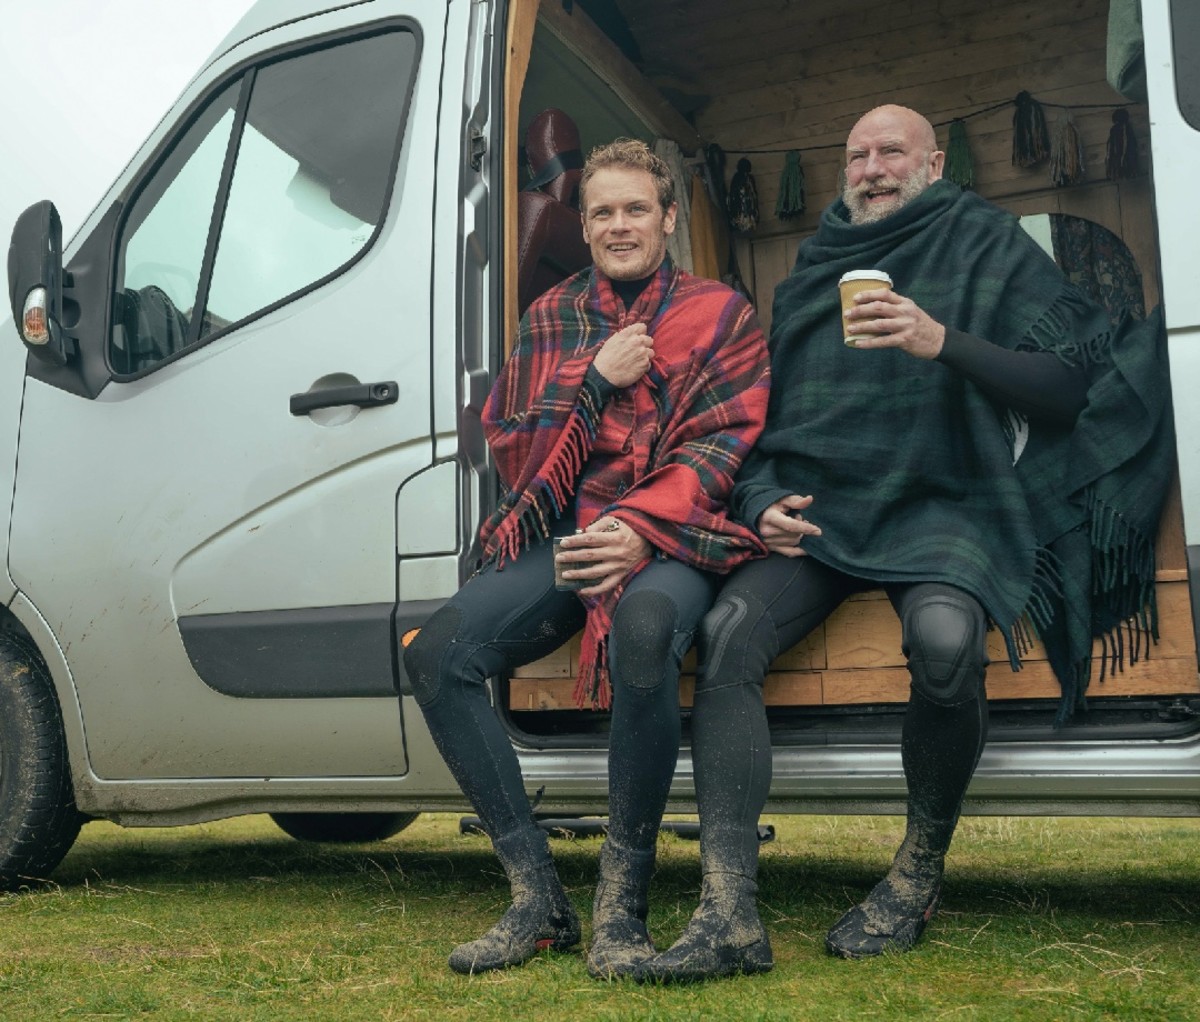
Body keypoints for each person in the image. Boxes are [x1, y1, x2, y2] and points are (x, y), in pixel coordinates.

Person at [642, 104, 1173, 980]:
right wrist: (765, 499)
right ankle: (727, 911)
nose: (872, 167)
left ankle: (917, 869)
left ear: (932, 164)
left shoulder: (984, 242)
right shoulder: (811, 274)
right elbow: (767, 429)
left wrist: (941, 340)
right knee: (728, 632)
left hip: (947, 500)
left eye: (893, 151)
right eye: (856, 154)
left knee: (946, 643)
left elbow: (1070, 386)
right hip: (826, 506)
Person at [403, 139, 772, 978]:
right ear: (585, 223)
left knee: (645, 626)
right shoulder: (550, 317)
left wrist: (639, 528)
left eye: (636, 208)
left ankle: (621, 905)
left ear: (668, 218)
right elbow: (515, 450)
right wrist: (595, 380)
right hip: (570, 532)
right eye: (601, 211)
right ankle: (536, 896)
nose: (618, 225)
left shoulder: (721, 312)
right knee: (437, 655)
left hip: (676, 535)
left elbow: (729, 444)